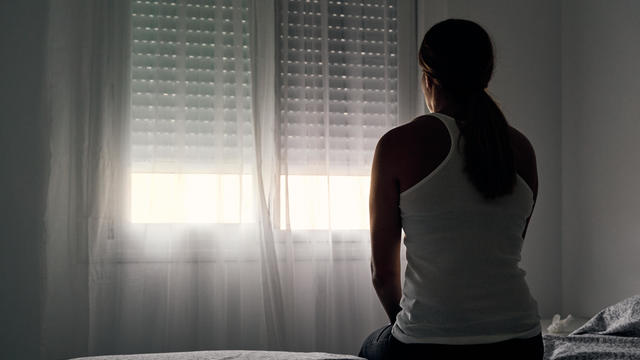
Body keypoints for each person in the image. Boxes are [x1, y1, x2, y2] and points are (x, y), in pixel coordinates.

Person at [358, 19, 543, 359]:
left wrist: (411, 326)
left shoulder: (397, 145)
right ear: (485, 77)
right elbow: (500, 251)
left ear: (428, 78)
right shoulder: (521, 149)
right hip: (522, 342)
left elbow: (382, 274)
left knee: (369, 347)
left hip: (427, 347)